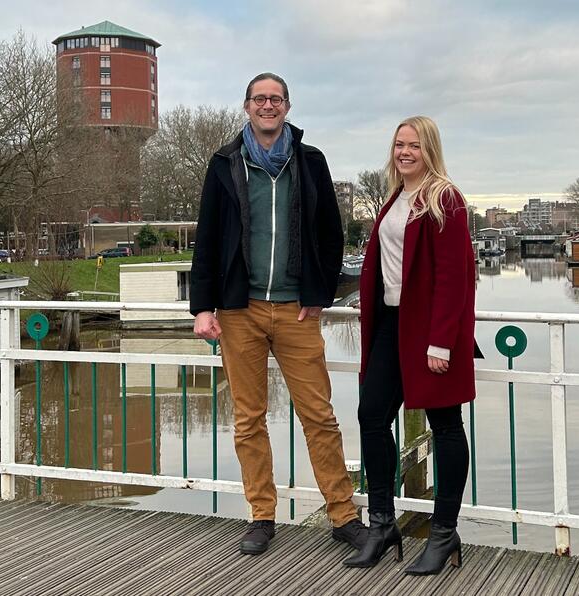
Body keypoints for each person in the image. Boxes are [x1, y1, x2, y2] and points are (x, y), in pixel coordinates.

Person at [190, 73, 367, 556]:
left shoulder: (310, 162)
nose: (267, 105)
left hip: (296, 310)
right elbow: (206, 238)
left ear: (287, 106)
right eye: (259, 99)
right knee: (248, 418)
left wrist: (322, 291)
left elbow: (332, 235)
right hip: (239, 309)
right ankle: (261, 516)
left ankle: (343, 515)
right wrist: (203, 306)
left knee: (319, 415)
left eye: (275, 99)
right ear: (247, 107)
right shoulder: (225, 163)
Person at [344, 116, 476, 574]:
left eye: (413, 146)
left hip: (430, 329)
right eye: (399, 144)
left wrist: (441, 342)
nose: (404, 152)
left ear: (429, 150)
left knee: (445, 424)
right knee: (372, 415)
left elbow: (453, 277)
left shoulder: (445, 199)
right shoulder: (394, 198)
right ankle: (382, 525)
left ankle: (444, 532)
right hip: (391, 324)